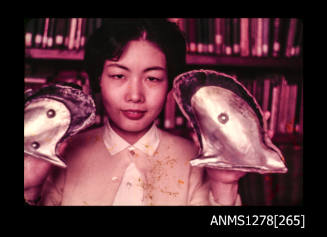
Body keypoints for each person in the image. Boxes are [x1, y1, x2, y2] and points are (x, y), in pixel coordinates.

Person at [24, 18, 245, 206]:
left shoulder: (194, 159)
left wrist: (225, 186)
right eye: (119, 76)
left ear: (169, 84)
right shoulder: (64, 153)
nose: (135, 95)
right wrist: (29, 190)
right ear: (98, 79)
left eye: (153, 78)